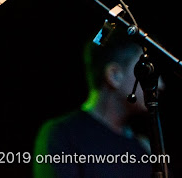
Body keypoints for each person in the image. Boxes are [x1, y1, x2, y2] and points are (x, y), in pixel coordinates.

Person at [33, 22, 157, 178]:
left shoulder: (143, 148)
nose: (160, 85)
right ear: (114, 75)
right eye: (145, 70)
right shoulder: (61, 134)